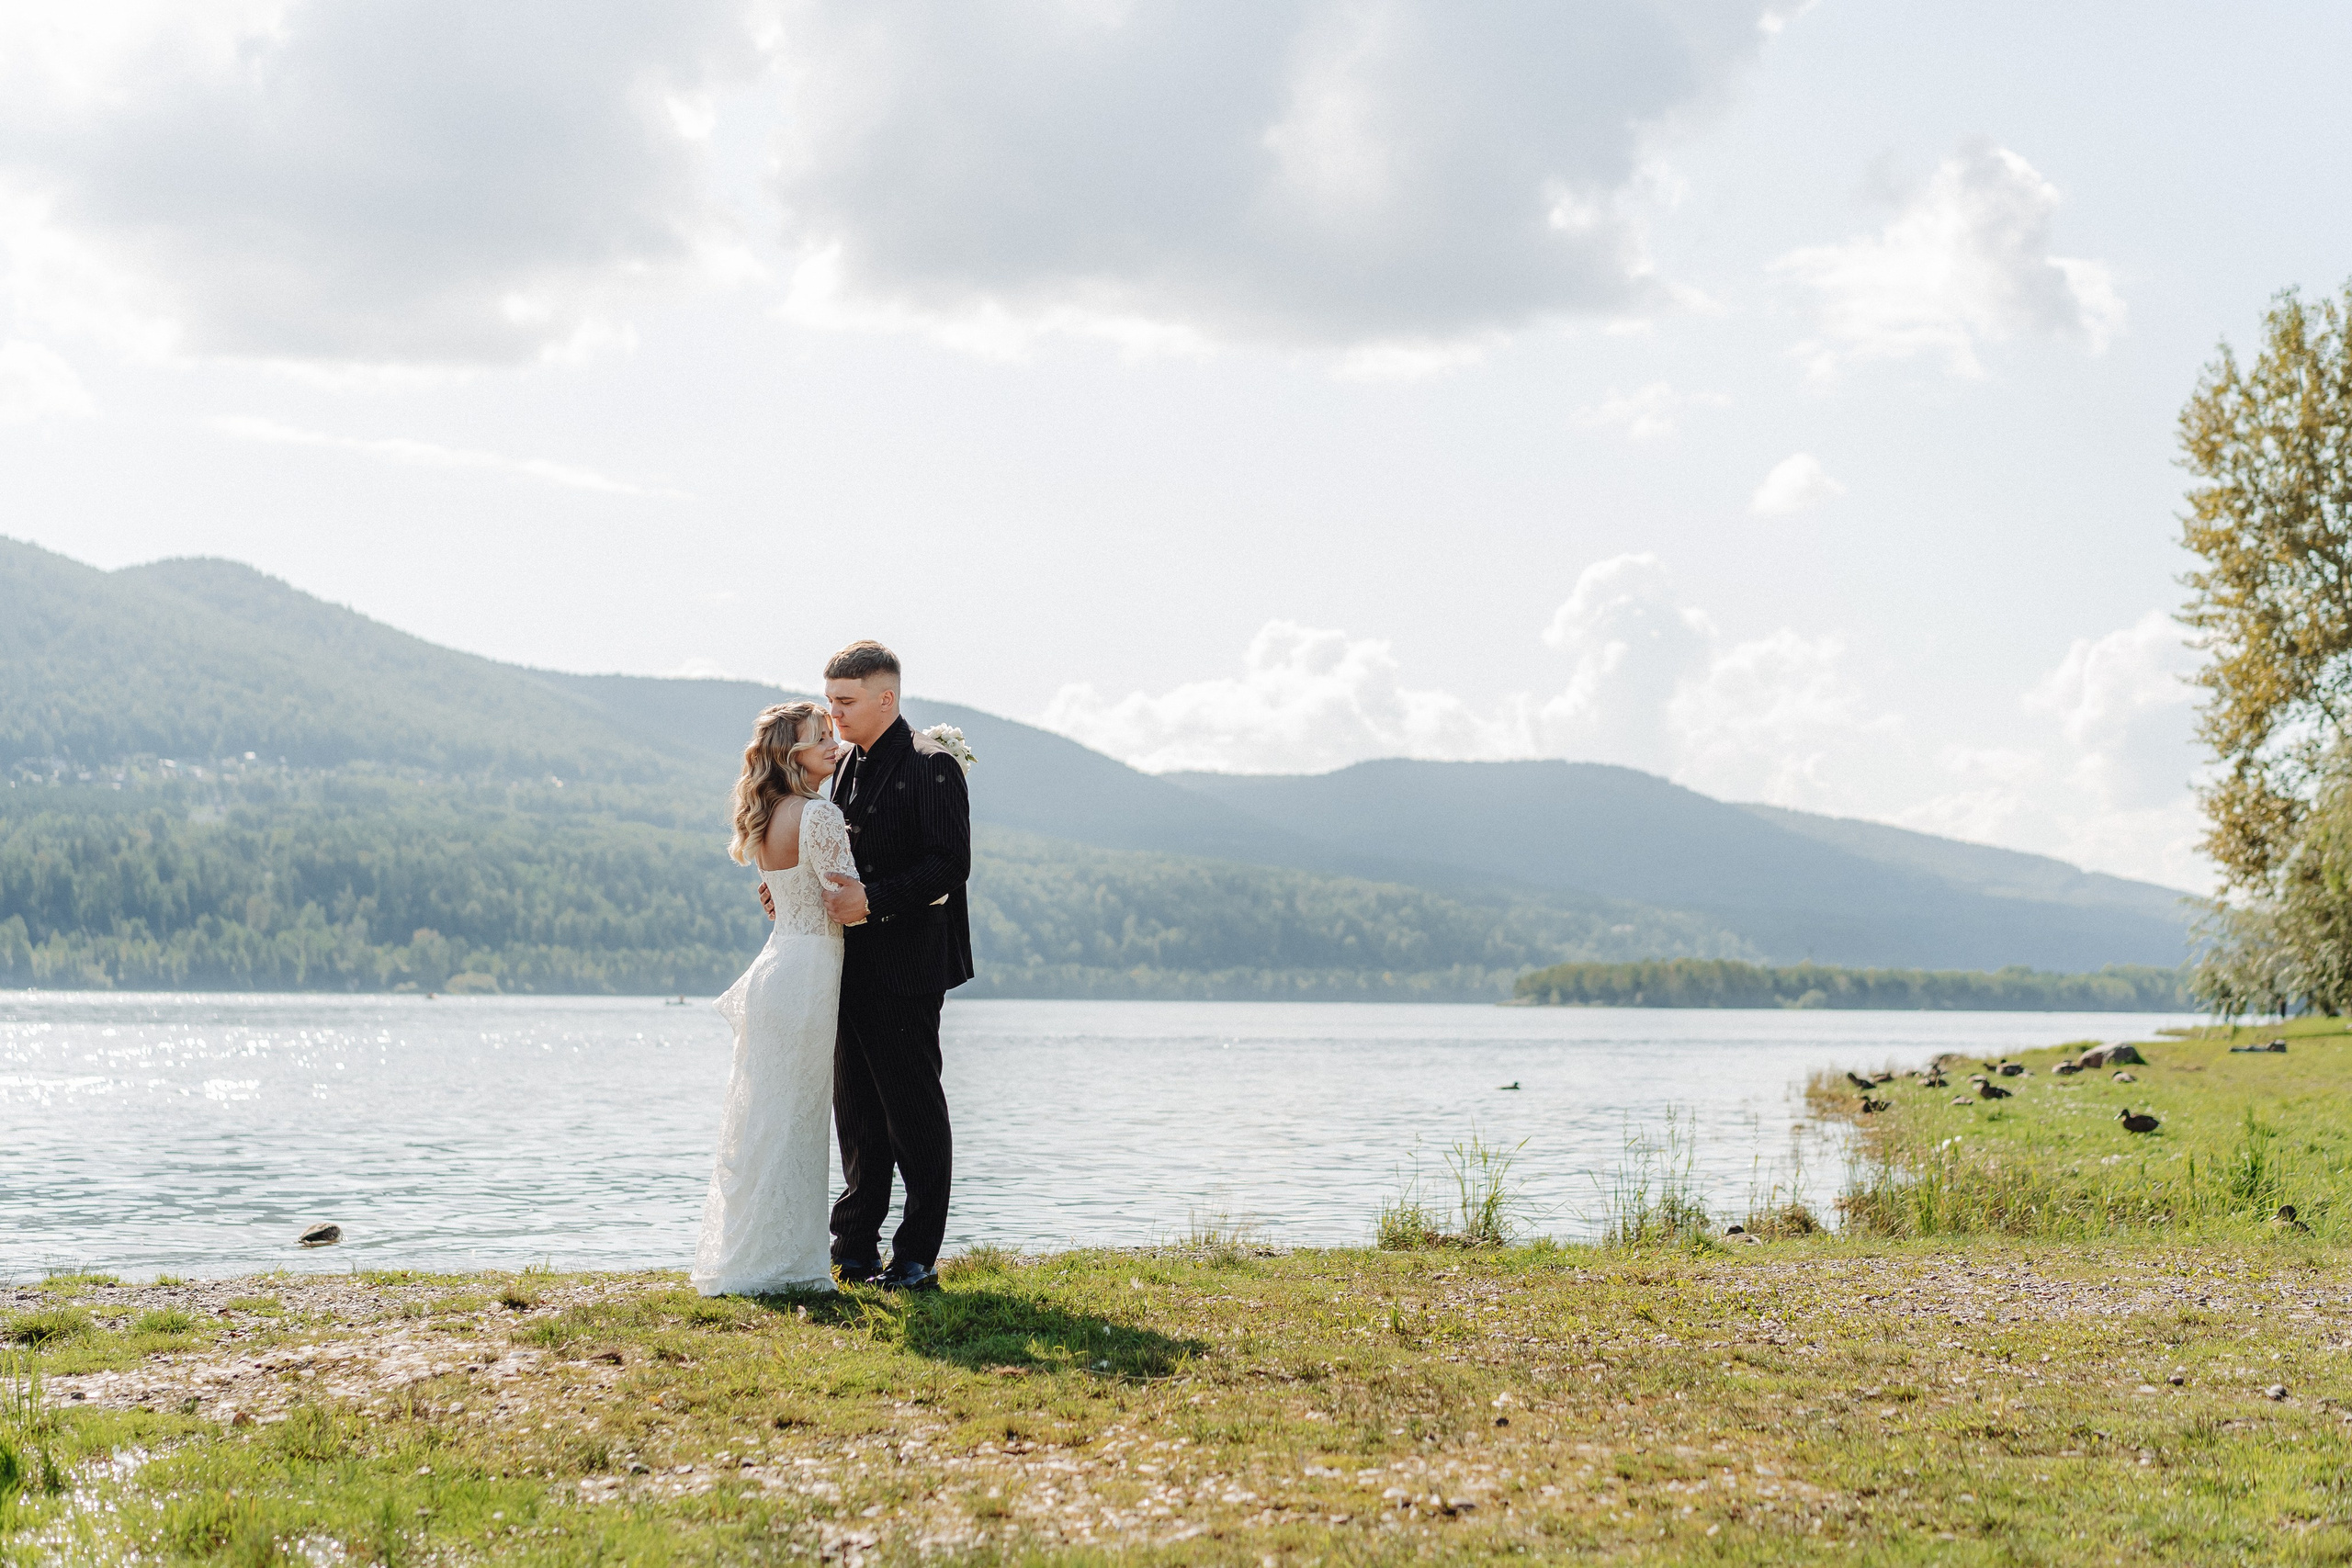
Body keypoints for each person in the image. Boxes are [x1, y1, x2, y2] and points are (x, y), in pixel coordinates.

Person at [819, 640, 974, 1292]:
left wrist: (872, 900)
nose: (835, 715)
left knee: (912, 1112)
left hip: (909, 967)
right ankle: (854, 1249)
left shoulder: (933, 765)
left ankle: (915, 1256)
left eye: (846, 701)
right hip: (848, 966)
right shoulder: (845, 765)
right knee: (855, 1112)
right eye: (829, 702)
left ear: (887, 697)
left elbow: (949, 863)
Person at [690, 701, 854, 1296]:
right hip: (811, 969)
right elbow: (845, 898)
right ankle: (790, 1264)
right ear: (793, 754)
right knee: (798, 1116)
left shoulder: (769, 815)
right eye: (821, 739)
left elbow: (789, 894)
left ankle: (756, 1255)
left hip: (777, 966)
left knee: (769, 1116)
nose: (834, 747)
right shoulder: (818, 814)